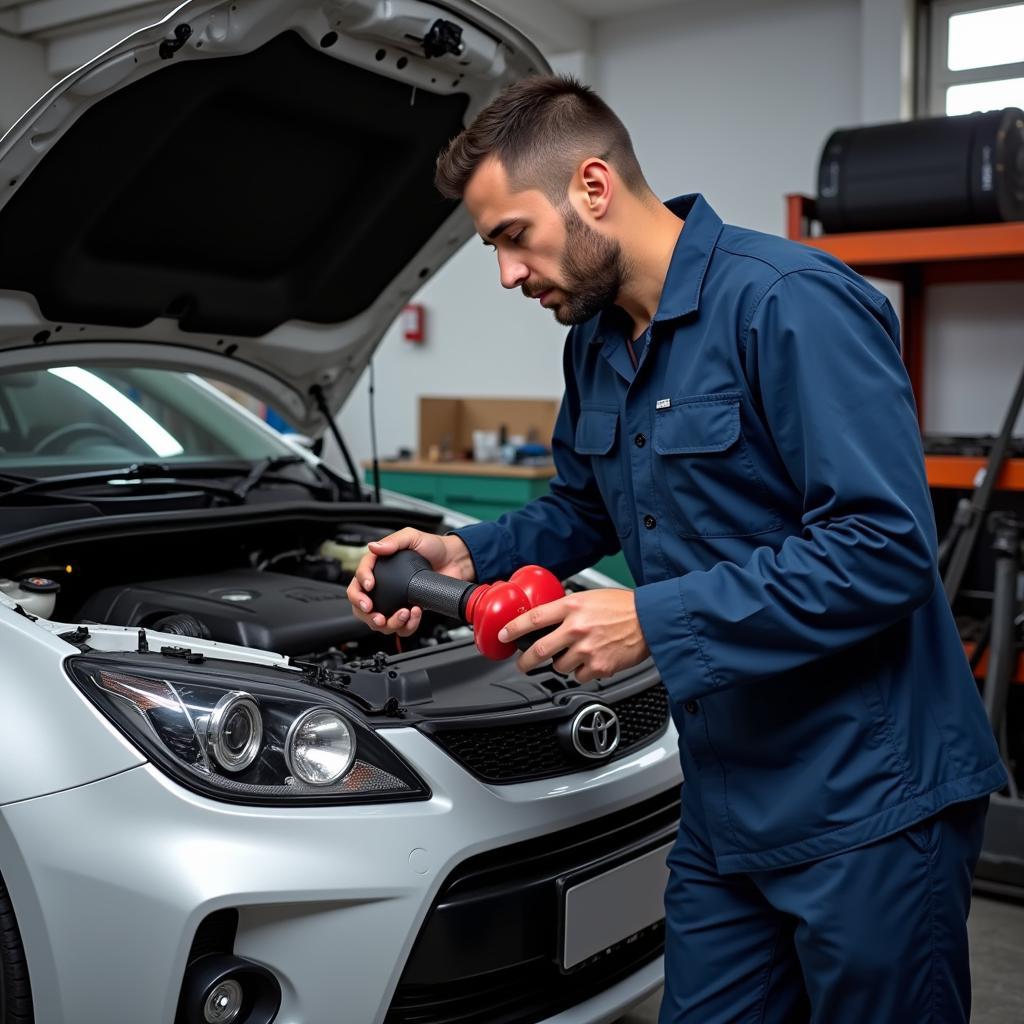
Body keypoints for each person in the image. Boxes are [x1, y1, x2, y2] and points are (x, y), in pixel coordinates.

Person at [346, 76, 1007, 1023]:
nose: (506, 274)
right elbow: (582, 508)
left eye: (511, 236)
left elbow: (885, 547)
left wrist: (652, 620)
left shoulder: (792, 303)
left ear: (592, 187)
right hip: (726, 799)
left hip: (872, 801)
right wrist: (470, 555)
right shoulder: (597, 343)